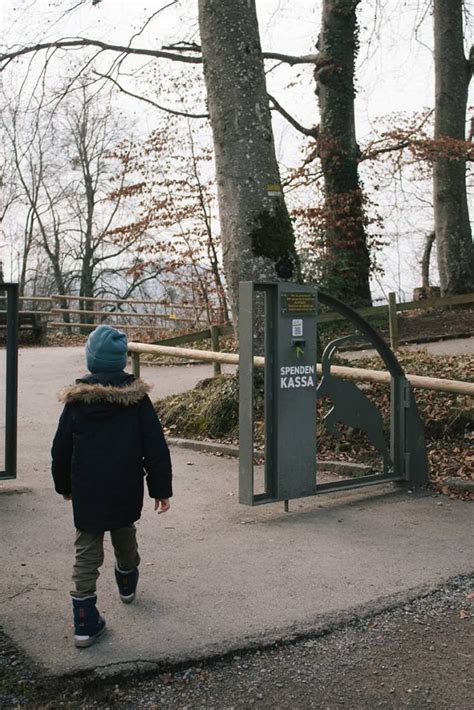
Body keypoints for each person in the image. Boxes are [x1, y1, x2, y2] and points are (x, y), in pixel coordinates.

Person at [51, 325, 172, 648]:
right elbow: (155, 447)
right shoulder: (137, 401)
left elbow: (60, 448)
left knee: (87, 550)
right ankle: (127, 577)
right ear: (121, 362)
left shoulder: (77, 404)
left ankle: (85, 621)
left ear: (90, 361)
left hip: (87, 489)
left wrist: (63, 485)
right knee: (124, 531)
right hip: (124, 485)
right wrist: (160, 489)